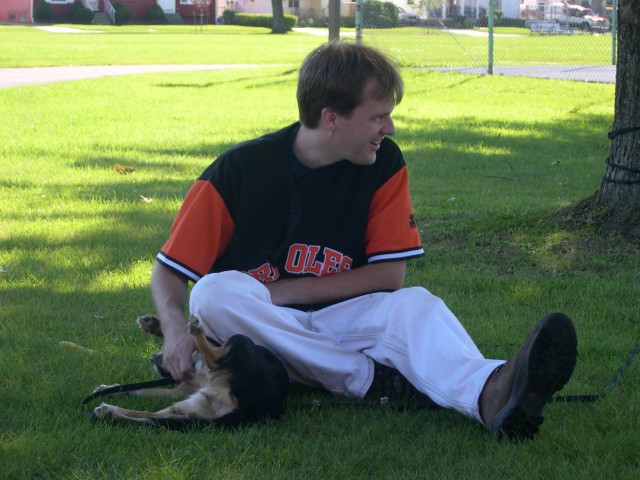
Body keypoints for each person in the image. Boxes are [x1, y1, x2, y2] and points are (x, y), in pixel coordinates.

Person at [150, 41, 577, 440]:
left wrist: (282, 291)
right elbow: (170, 272)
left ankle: (491, 394)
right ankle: (371, 379)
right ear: (331, 116)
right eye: (377, 117)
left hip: (344, 319)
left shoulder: (383, 164)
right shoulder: (239, 171)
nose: (388, 128)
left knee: (416, 305)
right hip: (263, 330)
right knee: (211, 294)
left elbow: (390, 275)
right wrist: (173, 332)